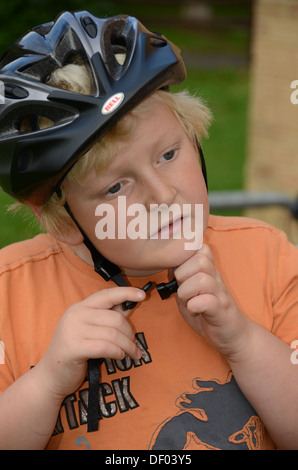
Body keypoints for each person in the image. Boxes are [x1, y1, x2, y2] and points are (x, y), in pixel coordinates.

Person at [0, 10, 297, 451]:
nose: (162, 196)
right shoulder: (12, 294)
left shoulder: (266, 256)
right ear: (65, 222)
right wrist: (45, 384)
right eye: (116, 186)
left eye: (168, 154)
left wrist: (242, 341)